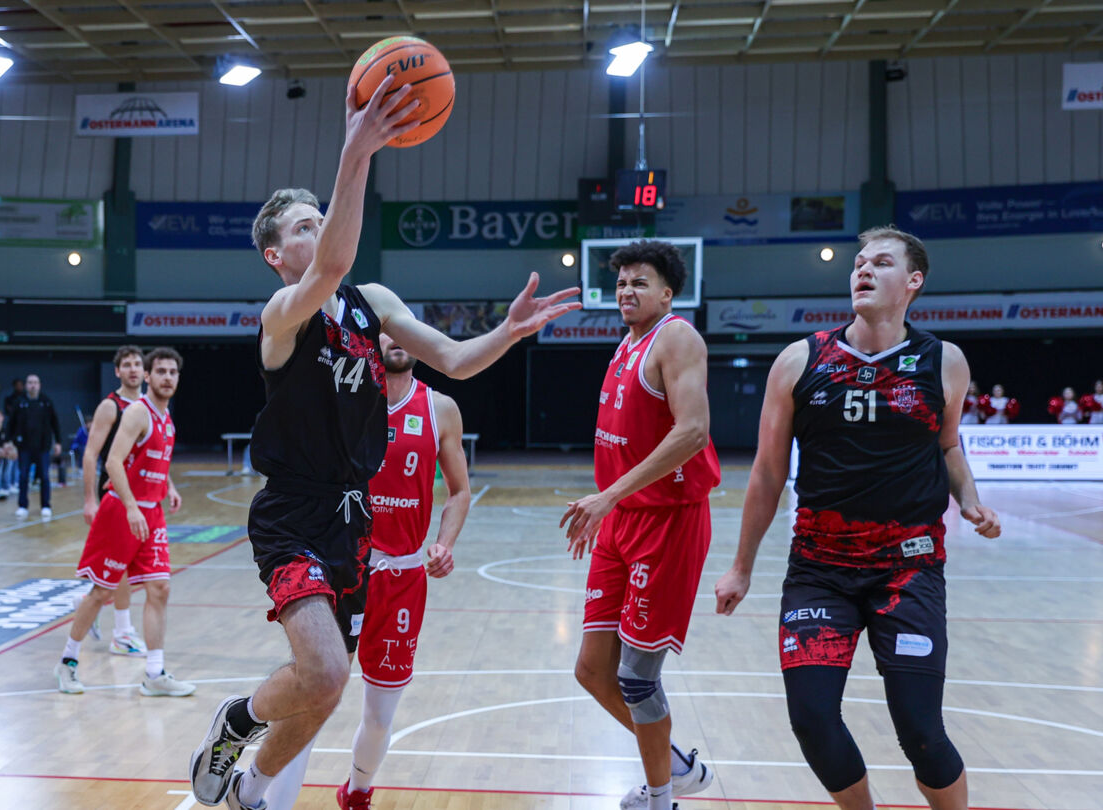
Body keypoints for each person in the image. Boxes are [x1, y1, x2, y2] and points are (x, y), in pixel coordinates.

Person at [187, 75, 579, 810]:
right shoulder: (281, 314)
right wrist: (355, 152)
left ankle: (250, 790)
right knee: (329, 673)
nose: (315, 231)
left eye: (318, 220)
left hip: (352, 520)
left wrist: (510, 332)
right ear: (275, 255)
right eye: (300, 227)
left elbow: (456, 361)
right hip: (291, 516)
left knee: (322, 693)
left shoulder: (374, 306)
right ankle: (235, 721)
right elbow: (332, 262)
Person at [714, 226, 1002, 810]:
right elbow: (769, 473)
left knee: (921, 732)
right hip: (820, 568)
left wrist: (968, 498)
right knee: (813, 718)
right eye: (859, 263)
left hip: (909, 569)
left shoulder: (943, 361)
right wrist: (741, 566)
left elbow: (948, 445)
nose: (863, 271)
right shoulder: (801, 360)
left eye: (881, 263)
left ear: (912, 282)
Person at [559, 240, 720, 810]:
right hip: (621, 520)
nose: (628, 290)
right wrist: (603, 506)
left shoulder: (676, 337)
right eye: (622, 282)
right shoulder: (625, 344)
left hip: (668, 523)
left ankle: (660, 798)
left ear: (667, 292)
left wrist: (607, 497)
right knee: (590, 669)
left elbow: (692, 431)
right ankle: (677, 767)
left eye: (640, 282)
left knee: (636, 678)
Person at [325, 334, 473, 810]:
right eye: (384, 331)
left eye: (404, 331)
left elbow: (459, 491)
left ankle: (358, 792)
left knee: (380, 712)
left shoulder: (440, 407)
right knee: (314, 694)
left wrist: (444, 544)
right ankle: (262, 792)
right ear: (369, 344)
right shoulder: (343, 401)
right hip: (342, 571)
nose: (395, 340)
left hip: (404, 577)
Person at [59, 347, 191, 697]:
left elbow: (156, 464)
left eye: (172, 372)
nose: (167, 377)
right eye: (160, 371)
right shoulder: (136, 413)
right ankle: (67, 663)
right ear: (148, 377)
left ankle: (154, 673)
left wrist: (170, 487)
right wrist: (131, 506)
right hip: (122, 510)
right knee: (102, 590)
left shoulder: (167, 419)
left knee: (160, 588)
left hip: (152, 511)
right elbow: (113, 462)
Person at [6, 374, 62, 519]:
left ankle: (45, 505)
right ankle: (23, 506)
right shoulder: (19, 402)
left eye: (35, 382)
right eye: (30, 382)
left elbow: (55, 423)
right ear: (26, 385)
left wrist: (58, 442)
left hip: (43, 447)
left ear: (39, 385)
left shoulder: (46, 402)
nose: (32, 385)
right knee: (23, 476)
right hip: (24, 447)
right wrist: (9, 442)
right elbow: (10, 424)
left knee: (44, 476)